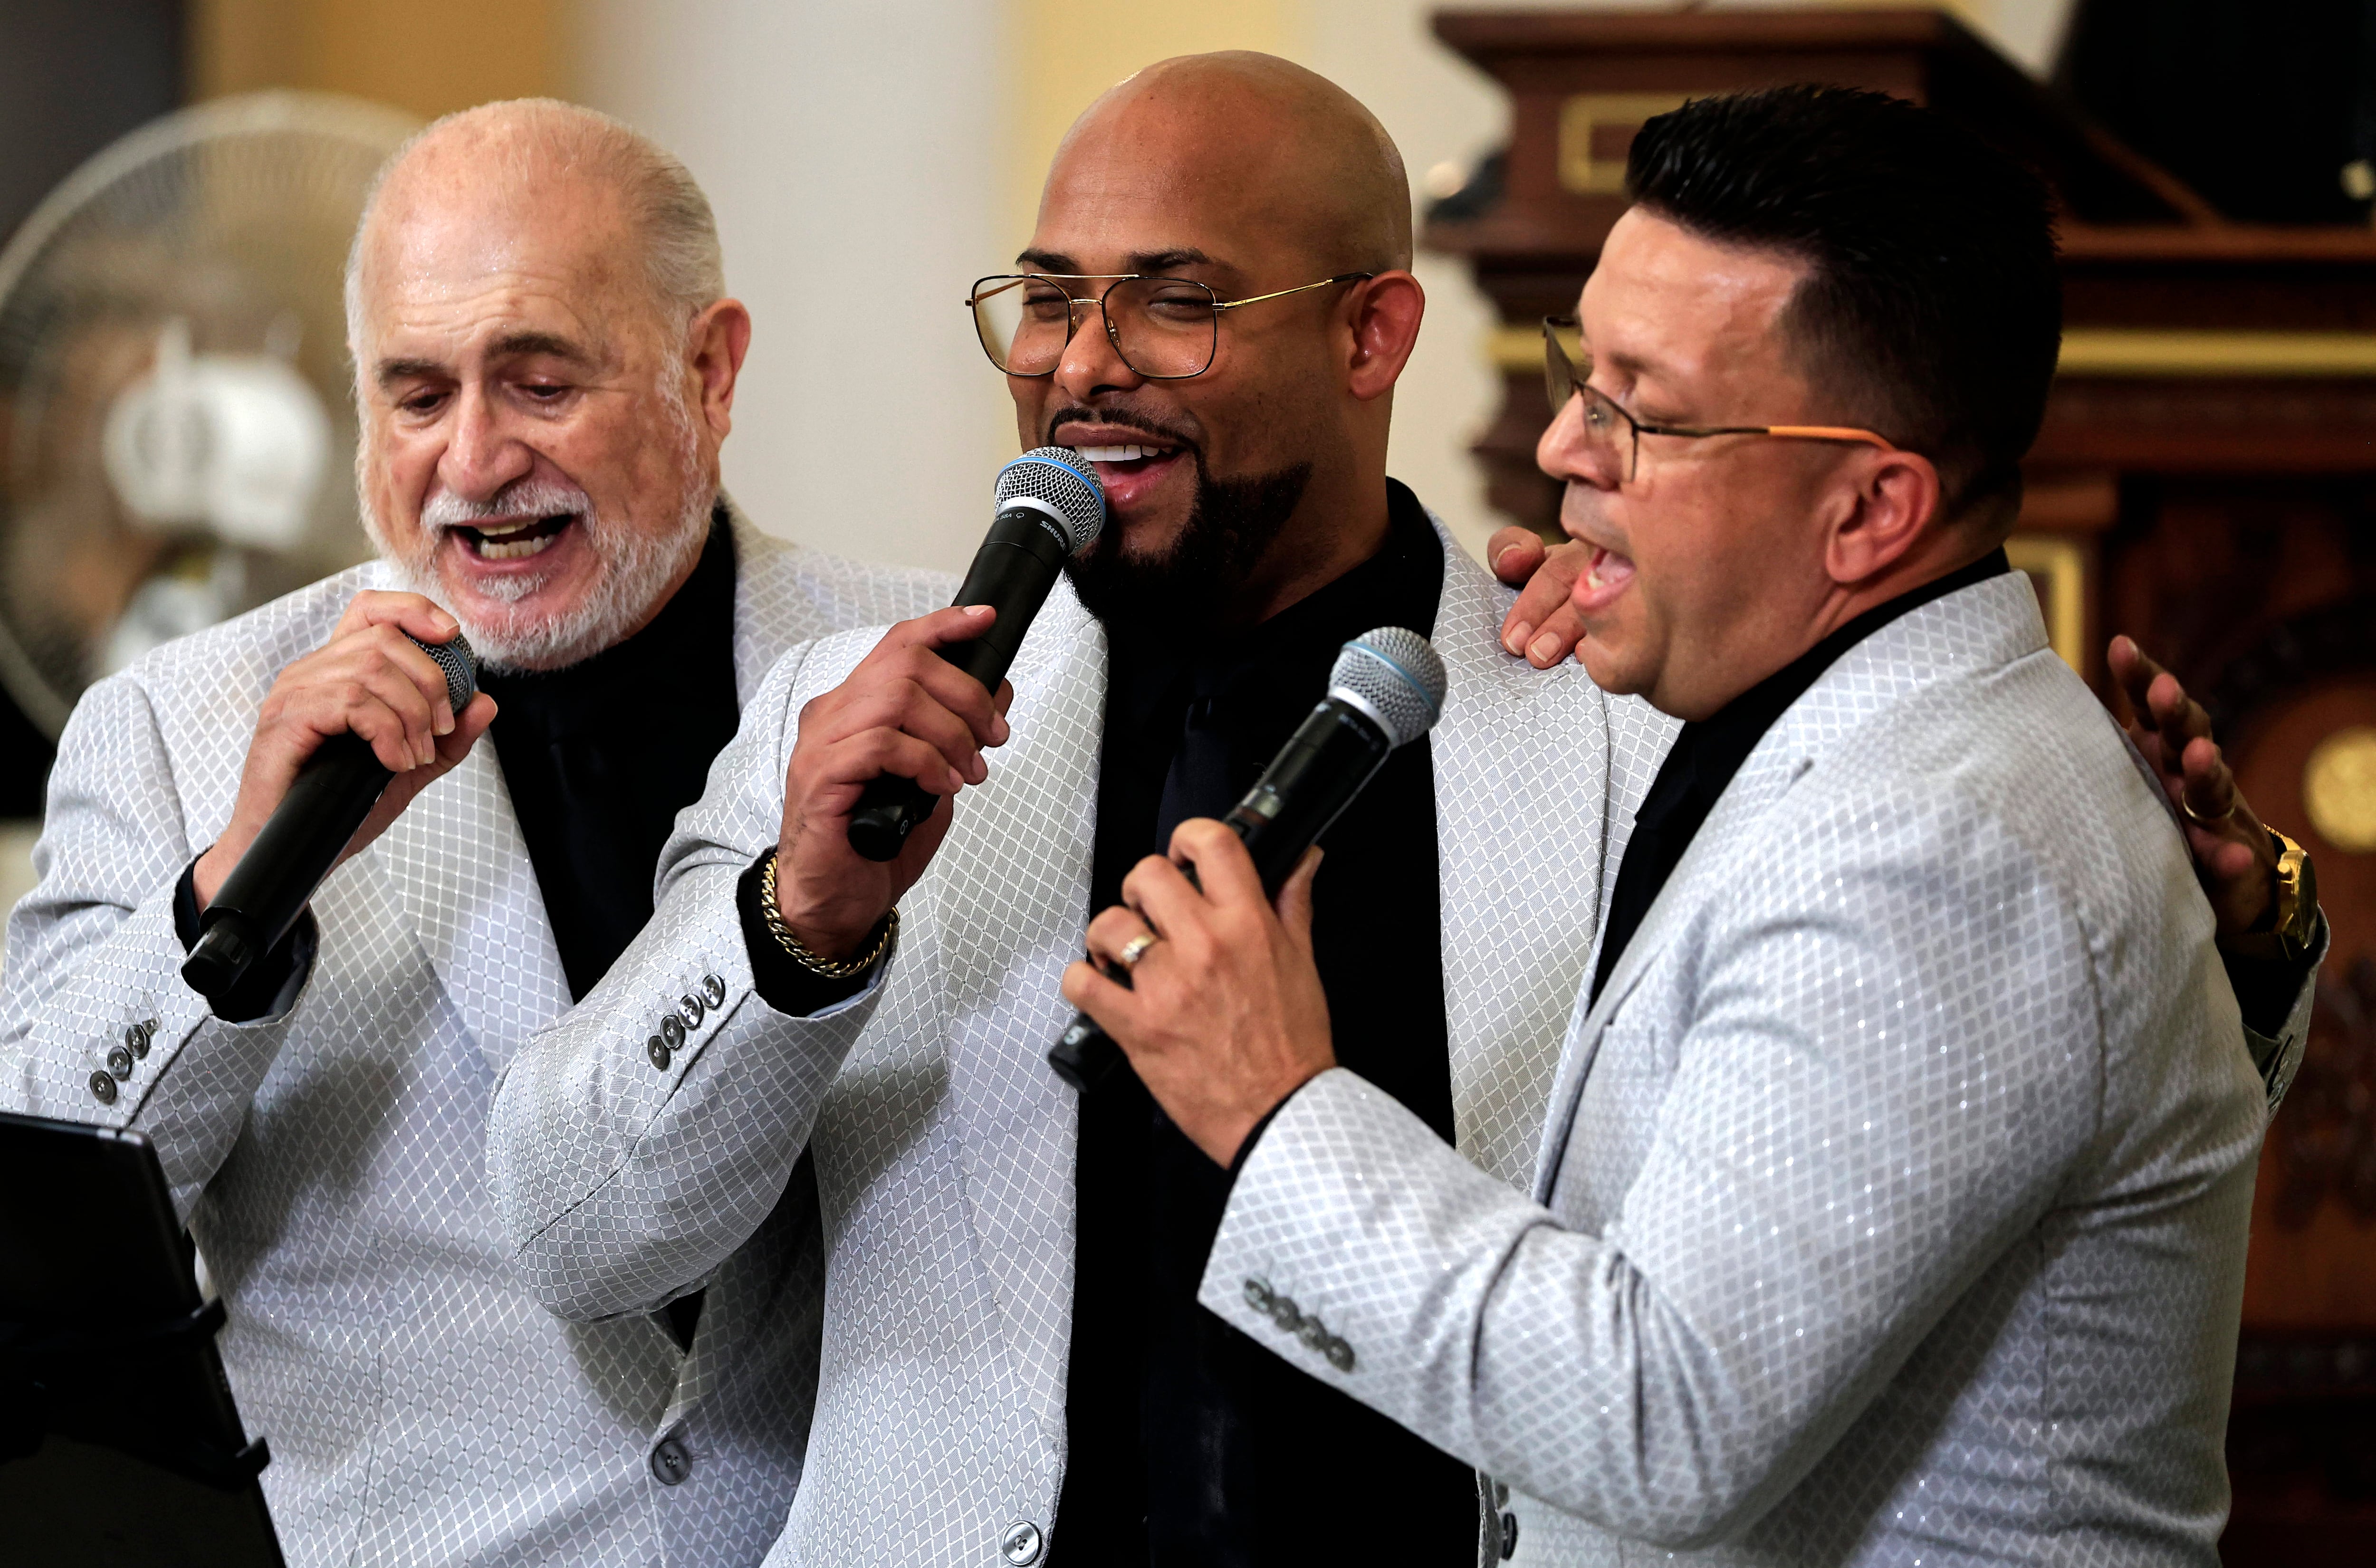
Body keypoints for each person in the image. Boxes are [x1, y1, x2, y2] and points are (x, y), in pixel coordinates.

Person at [487, 59, 2316, 1568]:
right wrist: (791, 931)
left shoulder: (1627, 723)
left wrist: (2222, 954)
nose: (1081, 362)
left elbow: (1896, 1131)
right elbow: (579, 1235)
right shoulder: (845, 723)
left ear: (1374, 336)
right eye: (1049, 298)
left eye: (1176, 302)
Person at [1065, 85, 2329, 1566]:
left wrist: (1274, 1105)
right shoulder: (1815, 717)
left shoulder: (1933, 841)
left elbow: (1661, 1420)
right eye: (1577, 375)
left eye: (1638, 413)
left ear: (1868, 512)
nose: (1561, 452)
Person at [2, 101, 947, 1566]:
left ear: (711, 366)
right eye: (418, 393)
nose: (477, 461)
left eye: (540, 379)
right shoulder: (175, 721)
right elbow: (41, 1213)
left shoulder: (931, 678)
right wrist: (227, 895)